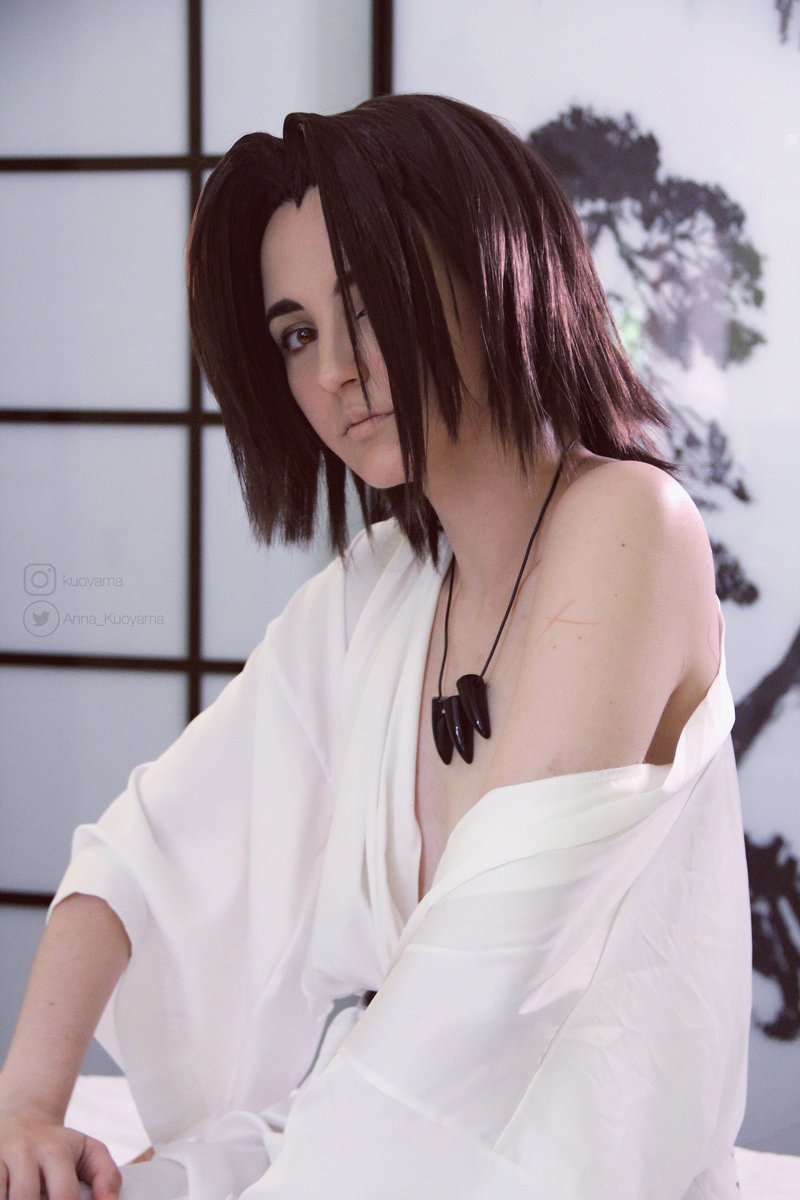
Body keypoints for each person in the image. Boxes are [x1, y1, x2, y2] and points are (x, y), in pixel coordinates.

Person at [0, 93, 751, 1200]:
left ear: (491, 267)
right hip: (377, 1133)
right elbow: (141, 850)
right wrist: (26, 1107)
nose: (334, 372)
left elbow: (476, 993)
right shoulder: (382, 589)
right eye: (296, 335)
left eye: (367, 307)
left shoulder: (631, 526)